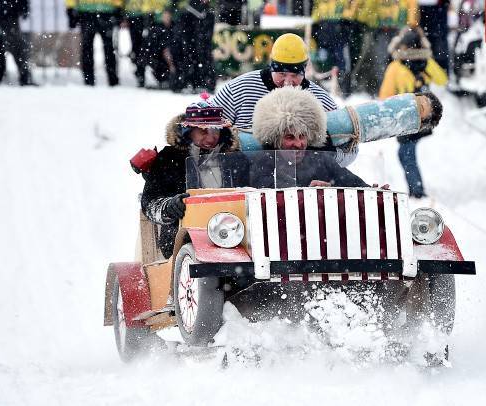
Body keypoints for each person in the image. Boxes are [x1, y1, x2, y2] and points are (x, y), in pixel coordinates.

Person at [140, 101, 248, 258]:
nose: (211, 137)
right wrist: (170, 206)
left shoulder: (237, 159)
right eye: (203, 131)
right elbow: (149, 203)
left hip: (234, 233)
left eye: (215, 130)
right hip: (185, 238)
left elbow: (252, 192)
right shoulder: (169, 158)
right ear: (188, 131)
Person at [209, 33, 337, 130]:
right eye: (282, 74)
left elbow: (347, 145)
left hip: (303, 165)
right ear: (272, 68)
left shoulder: (320, 100)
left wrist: (324, 159)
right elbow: (206, 125)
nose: (288, 82)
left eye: (295, 75)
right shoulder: (239, 90)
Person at [250, 86, 369, 188]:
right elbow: (269, 199)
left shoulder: (320, 158)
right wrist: (309, 193)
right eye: (290, 137)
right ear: (275, 139)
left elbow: (353, 184)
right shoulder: (263, 163)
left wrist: (374, 190)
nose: (298, 144)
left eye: (302, 136)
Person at [379, 26, 447, 198]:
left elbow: (384, 95)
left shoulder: (395, 67)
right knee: (406, 153)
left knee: (405, 153)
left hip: (405, 117)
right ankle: (416, 189)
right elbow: (442, 79)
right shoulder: (427, 63)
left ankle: (417, 192)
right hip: (425, 115)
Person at [65, 0, 122, 86]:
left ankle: (92, 79)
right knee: (105, 48)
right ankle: (107, 79)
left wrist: (71, 8)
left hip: (92, 11)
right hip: (98, 12)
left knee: (101, 48)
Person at [167, 0, 216, 93]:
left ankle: (202, 81)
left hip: (203, 18)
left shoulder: (209, 13)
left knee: (203, 52)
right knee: (187, 53)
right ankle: (187, 81)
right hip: (187, 18)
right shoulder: (184, 14)